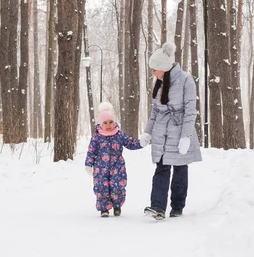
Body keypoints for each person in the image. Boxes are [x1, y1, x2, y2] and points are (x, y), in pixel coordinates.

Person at [141, 42, 202, 220]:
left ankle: (177, 206)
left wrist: (186, 136)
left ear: (164, 68)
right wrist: (147, 133)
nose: (153, 73)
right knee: (161, 168)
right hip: (162, 131)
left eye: (155, 69)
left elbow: (190, 110)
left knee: (180, 170)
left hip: (179, 129)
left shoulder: (185, 79)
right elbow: (155, 111)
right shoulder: (159, 82)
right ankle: (157, 206)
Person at [85, 101, 146, 217]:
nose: (108, 125)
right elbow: (91, 151)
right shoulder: (97, 136)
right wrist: (89, 164)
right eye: (105, 122)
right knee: (101, 187)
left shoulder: (119, 134)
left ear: (114, 121)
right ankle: (104, 208)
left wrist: (141, 143)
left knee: (117, 186)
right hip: (100, 168)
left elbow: (129, 142)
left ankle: (117, 205)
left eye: (111, 122)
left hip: (117, 166)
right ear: (100, 124)